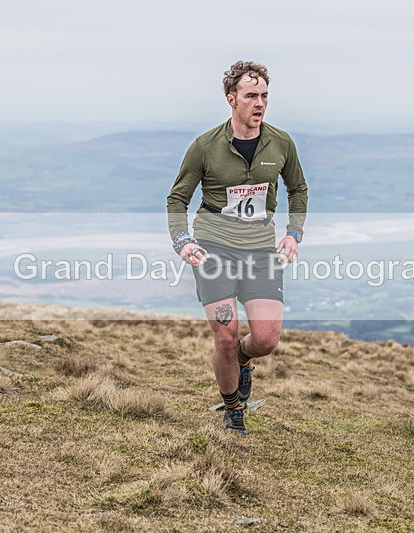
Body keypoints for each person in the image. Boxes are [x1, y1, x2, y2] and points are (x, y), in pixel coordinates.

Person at [166, 61, 308, 435]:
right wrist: (183, 240)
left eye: (264, 96)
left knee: (265, 338)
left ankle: (244, 360)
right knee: (226, 335)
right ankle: (233, 409)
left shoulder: (281, 143)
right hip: (214, 249)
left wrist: (294, 234)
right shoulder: (204, 147)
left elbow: (298, 190)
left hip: (260, 249)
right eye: (250, 96)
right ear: (231, 99)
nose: (259, 103)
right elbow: (176, 199)